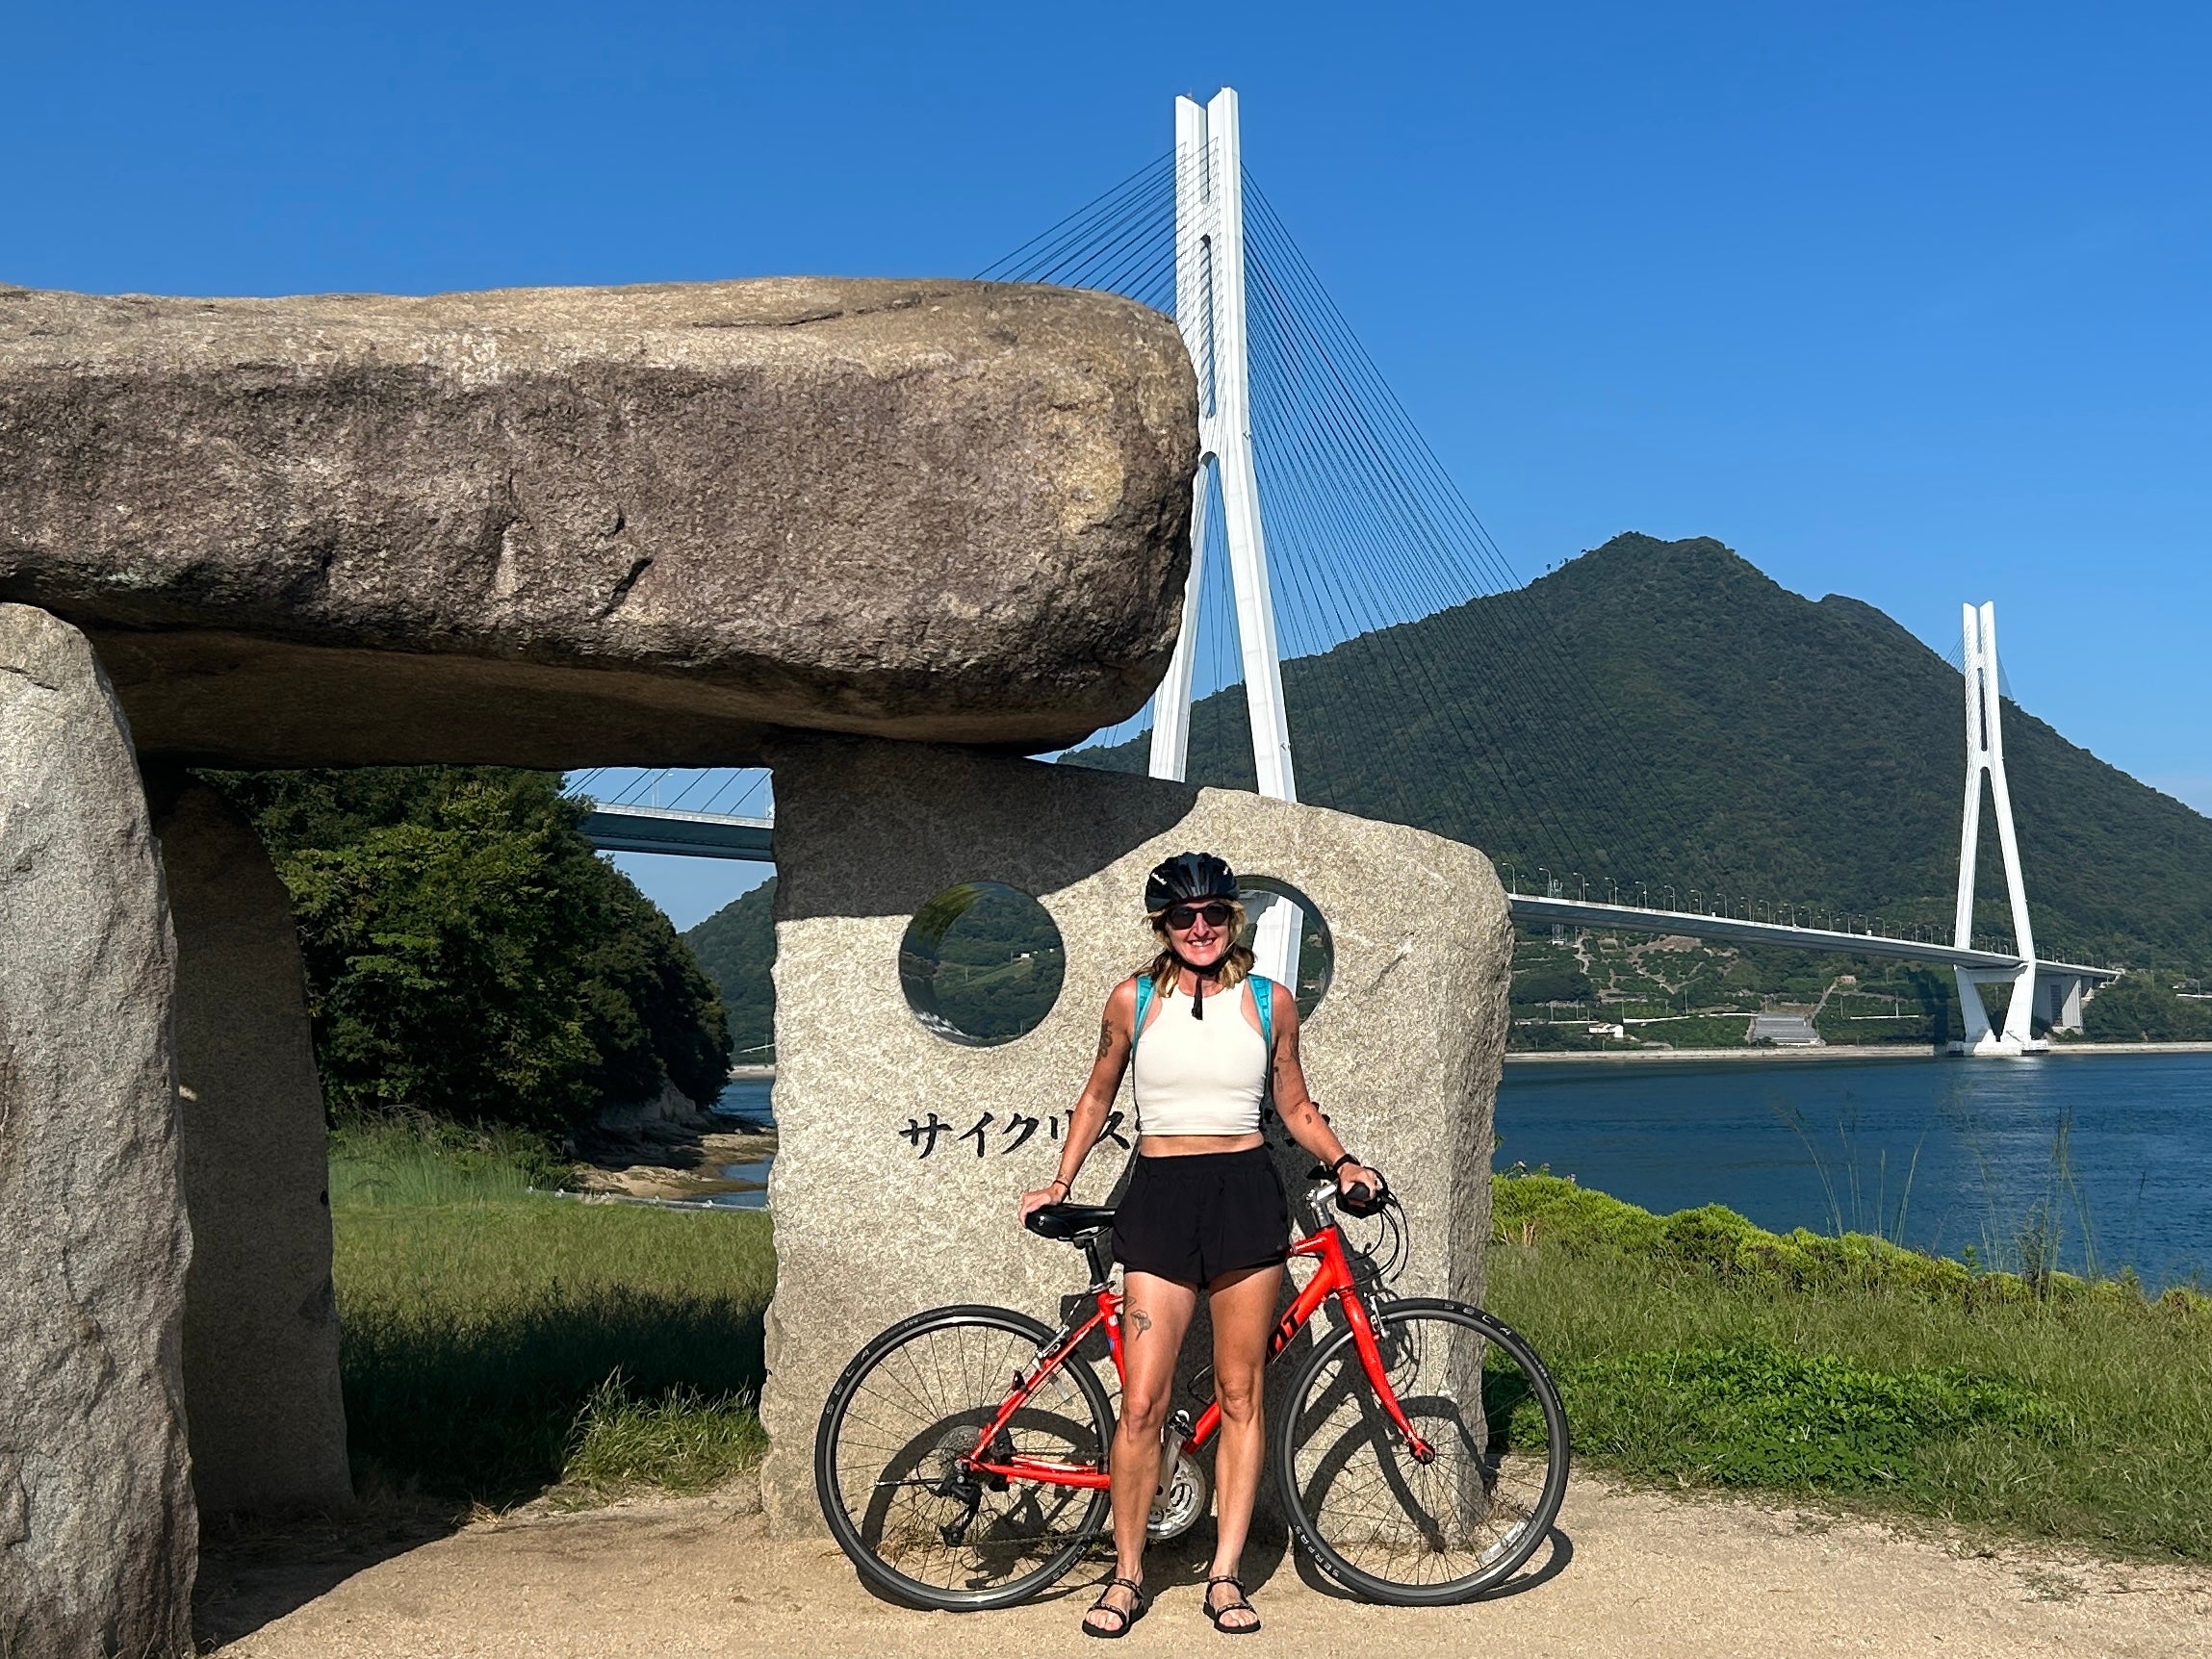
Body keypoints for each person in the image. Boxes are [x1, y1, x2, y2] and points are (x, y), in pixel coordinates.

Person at [1018, 852, 1384, 1640]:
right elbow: (1096, 1094)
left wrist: (1344, 1161)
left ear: (1233, 919)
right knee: (1142, 1403)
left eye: (1214, 913)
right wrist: (1060, 1179)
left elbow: (1296, 1104)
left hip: (1245, 1198)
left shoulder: (1270, 1002)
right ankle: (1126, 1575)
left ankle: (1224, 1576)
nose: (1200, 928)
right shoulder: (1133, 999)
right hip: (1158, 1199)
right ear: (1163, 926)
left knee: (1241, 1393)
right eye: (1183, 917)